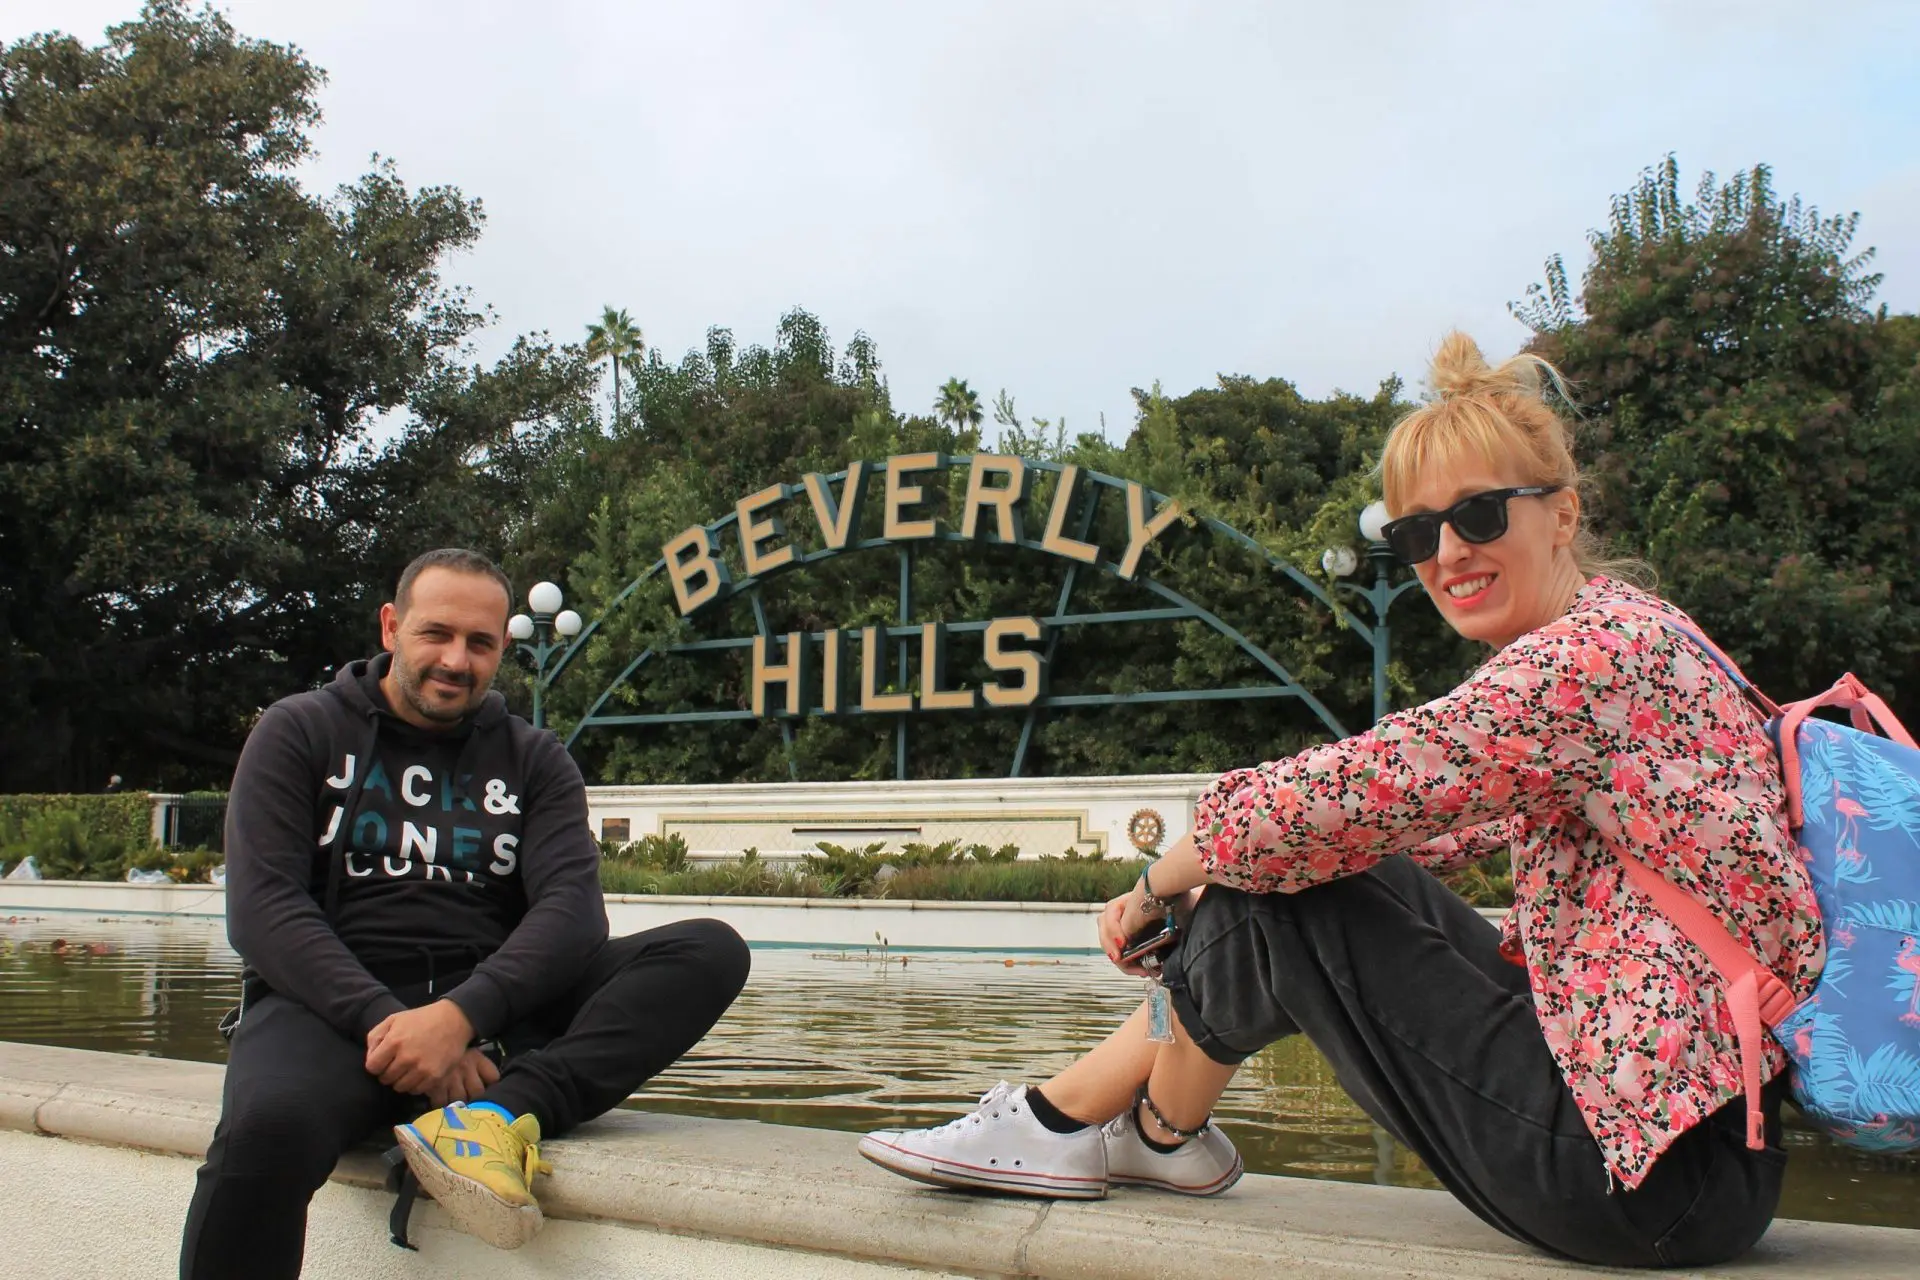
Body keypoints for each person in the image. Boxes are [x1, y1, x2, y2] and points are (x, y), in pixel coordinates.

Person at [858, 335, 1822, 1269]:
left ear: (1561, 516)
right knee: (1293, 867)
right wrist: (1212, 885)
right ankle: (1152, 1132)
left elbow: (1343, 795)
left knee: (1291, 873)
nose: (1448, 553)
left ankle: (1073, 1118)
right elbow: (1399, 831)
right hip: (1694, 1153)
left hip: (1640, 1177)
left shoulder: (1591, 658)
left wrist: (1158, 885)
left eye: (1480, 515)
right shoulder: (1642, 634)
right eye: (1415, 532)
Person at [181, 548, 751, 1278]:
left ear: (503, 650)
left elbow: (573, 916)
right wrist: (394, 1024)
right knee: (264, 1135)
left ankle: (496, 1117)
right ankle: (474, 1101)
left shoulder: (534, 757)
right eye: (436, 634)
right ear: (391, 626)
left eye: (480, 643)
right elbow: (263, 910)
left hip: (492, 1021)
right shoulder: (300, 731)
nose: (457, 659)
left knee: (705, 951)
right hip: (331, 1012)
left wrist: (459, 1020)